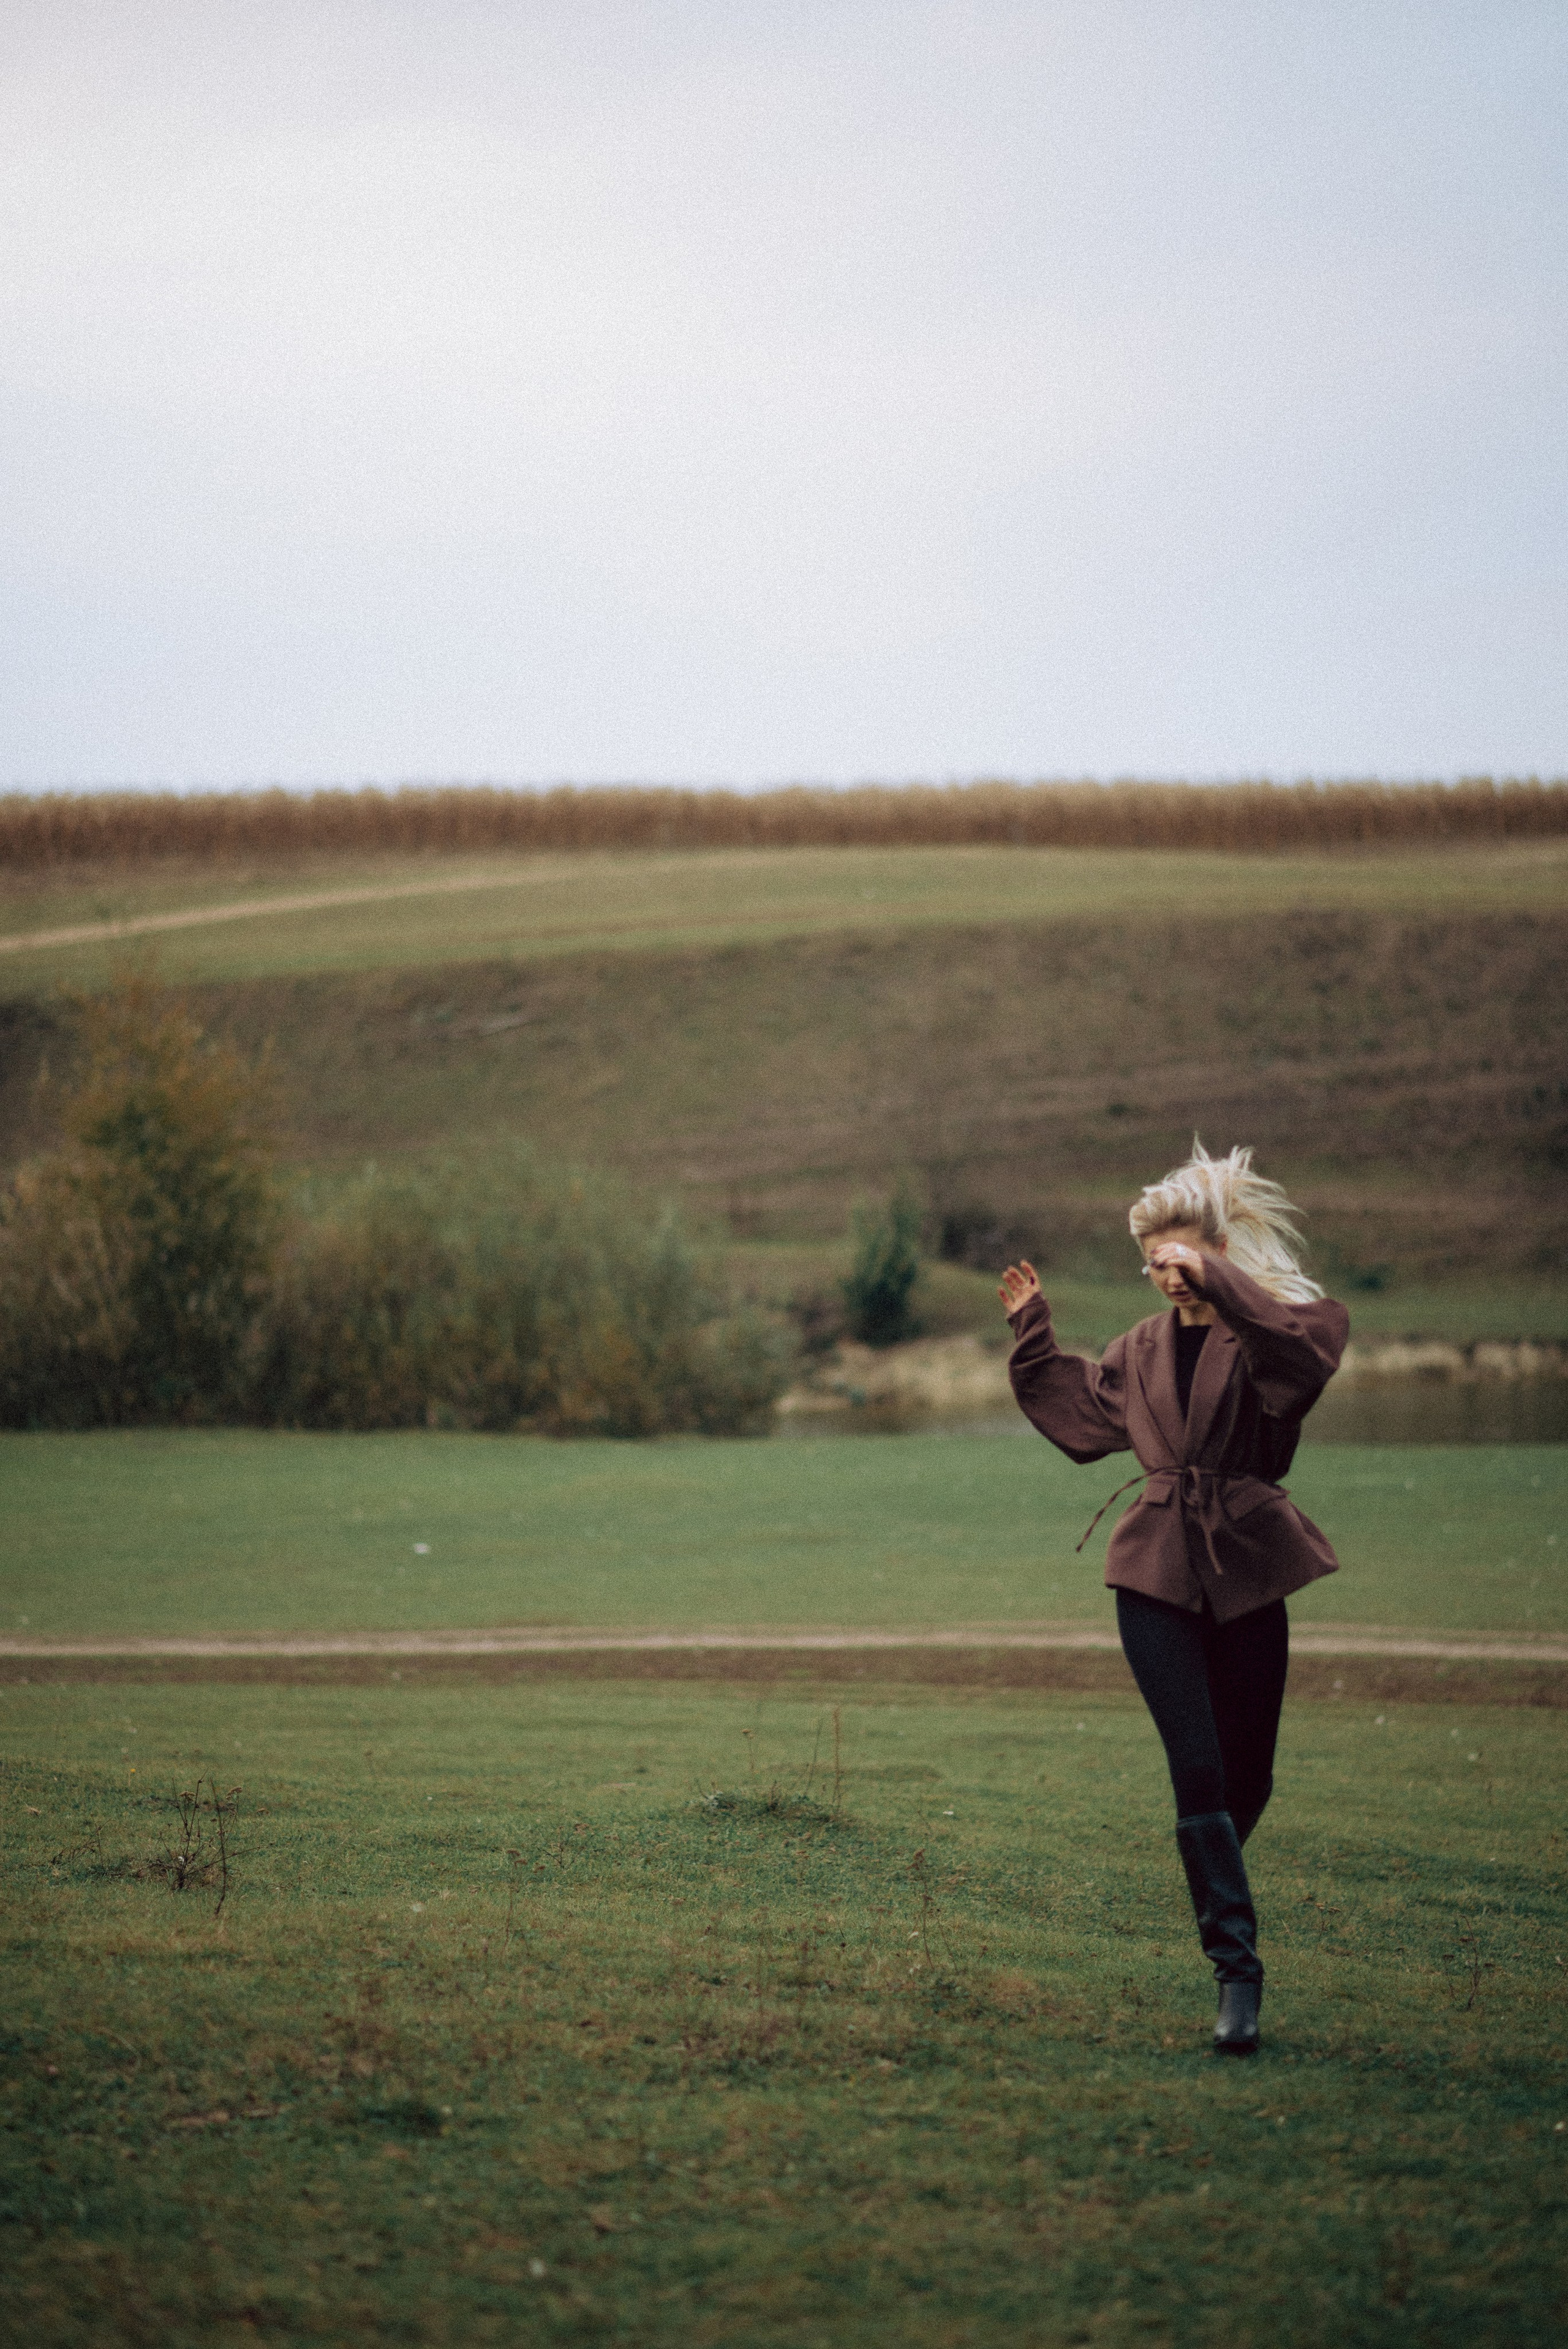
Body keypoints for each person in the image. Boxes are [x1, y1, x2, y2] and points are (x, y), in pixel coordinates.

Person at [998, 1142, 1348, 2056]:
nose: (1166, 1273)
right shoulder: (1139, 1350)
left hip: (1248, 1562)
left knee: (1248, 1779)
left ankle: (1210, 1865)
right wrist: (1033, 1332)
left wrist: (1223, 1286)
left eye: (1182, 1256)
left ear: (1221, 1251)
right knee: (1196, 1769)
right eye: (1153, 1261)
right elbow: (1082, 1414)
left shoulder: (1279, 1334)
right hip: (1152, 1570)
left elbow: (1301, 1367)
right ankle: (1238, 1972)